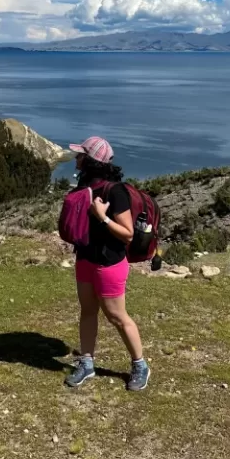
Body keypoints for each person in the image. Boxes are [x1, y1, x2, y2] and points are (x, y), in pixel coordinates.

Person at [65, 136, 150, 392]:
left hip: (109, 264)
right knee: (88, 311)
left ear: (91, 161)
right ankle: (87, 363)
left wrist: (101, 217)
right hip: (86, 259)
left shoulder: (116, 191)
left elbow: (127, 234)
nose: (76, 157)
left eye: (81, 154)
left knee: (116, 316)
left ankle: (140, 365)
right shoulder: (85, 185)